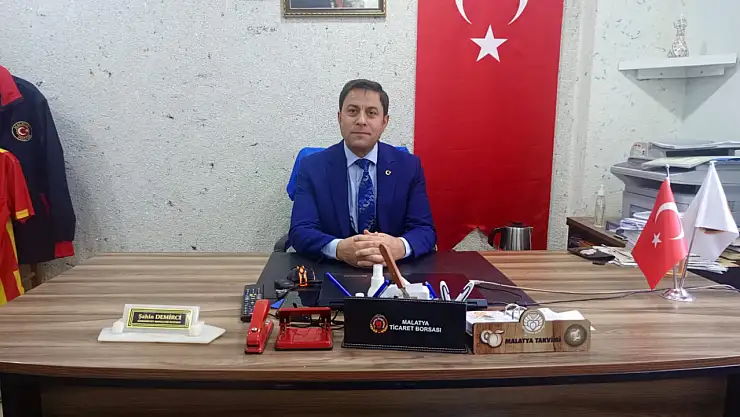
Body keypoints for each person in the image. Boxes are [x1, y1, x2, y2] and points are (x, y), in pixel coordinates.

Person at [288, 79, 437, 268]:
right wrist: (338, 249)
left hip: (393, 271)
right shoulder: (312, 167)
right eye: (352, 111)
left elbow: (424, 229)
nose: (361, 121)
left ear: (384, 122)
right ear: (340, 117)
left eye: (371, 113)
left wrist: (399, 246)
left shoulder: (408, 166)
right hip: (332, 270)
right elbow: (300, 231)